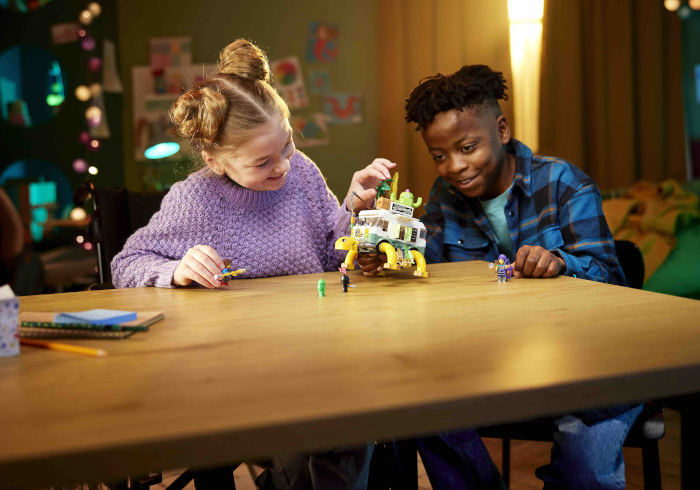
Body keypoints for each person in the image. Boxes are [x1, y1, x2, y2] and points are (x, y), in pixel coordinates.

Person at [111, 39, 393, 490]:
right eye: (263, 161)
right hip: (239, 375)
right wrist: (176, 270)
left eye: (286, 145)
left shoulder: (300, 171)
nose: (282, 165)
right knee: (316, 434)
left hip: (314, 356)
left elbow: (331, 253)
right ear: (214, 160)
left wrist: (355, 215)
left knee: (352, 420)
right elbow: (126, 263)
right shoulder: (196, 199)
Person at [358, 65, 641, 489]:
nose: (455, 166)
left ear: (502, 130)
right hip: (493, 362)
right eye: (439, 156)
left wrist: (561, 262)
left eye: (468, 147)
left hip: (585, 361)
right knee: (416, 404)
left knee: (583, 472)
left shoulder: (565, 185)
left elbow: (612, 280)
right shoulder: (444, 199)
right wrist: (391, 259)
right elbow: (427, 272)